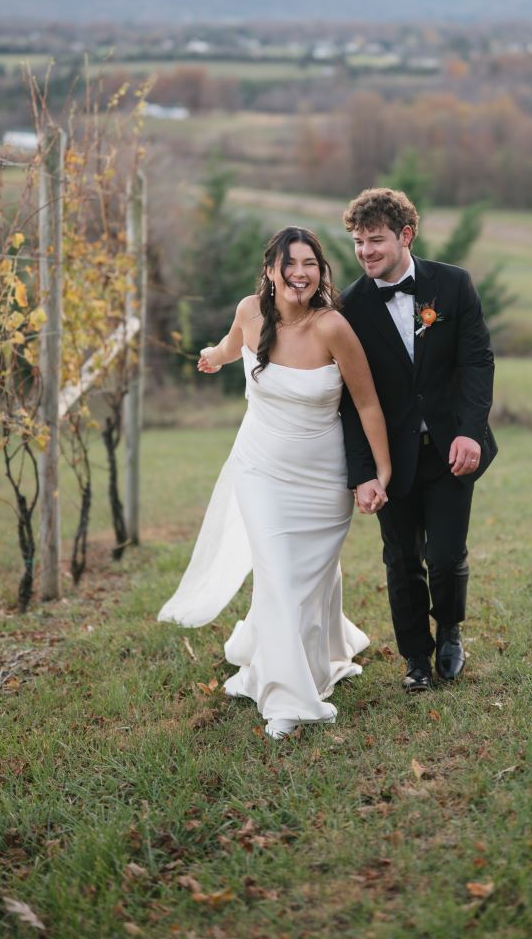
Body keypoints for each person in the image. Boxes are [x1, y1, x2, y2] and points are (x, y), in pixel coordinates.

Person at [158, 227, 391, 739]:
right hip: (259, 469)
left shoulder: (333, 328)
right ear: (270, 270)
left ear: (320, 272)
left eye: (310, 263)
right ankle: (288, 697)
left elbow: (367, 401)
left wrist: (380, 471)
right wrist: (214, 357)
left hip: (323, 479)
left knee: (308, 580)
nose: (299, 273)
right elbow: (229, 345)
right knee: (280, 576)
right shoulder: (249, 312)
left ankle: (321, 652)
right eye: (290, 264)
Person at [339, 188, 496, 692]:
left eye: (376, 240)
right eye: (359, 242)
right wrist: (363, 473)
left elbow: (477, 362)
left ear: (406, 235)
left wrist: (471, 431)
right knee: (401, 559)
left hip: (453, 450)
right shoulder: (349, 307)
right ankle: (415, 659)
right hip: (392, 458)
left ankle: (450, 630)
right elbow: (348, 400)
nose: (366, 252)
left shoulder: (451, 286)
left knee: (446, 556)